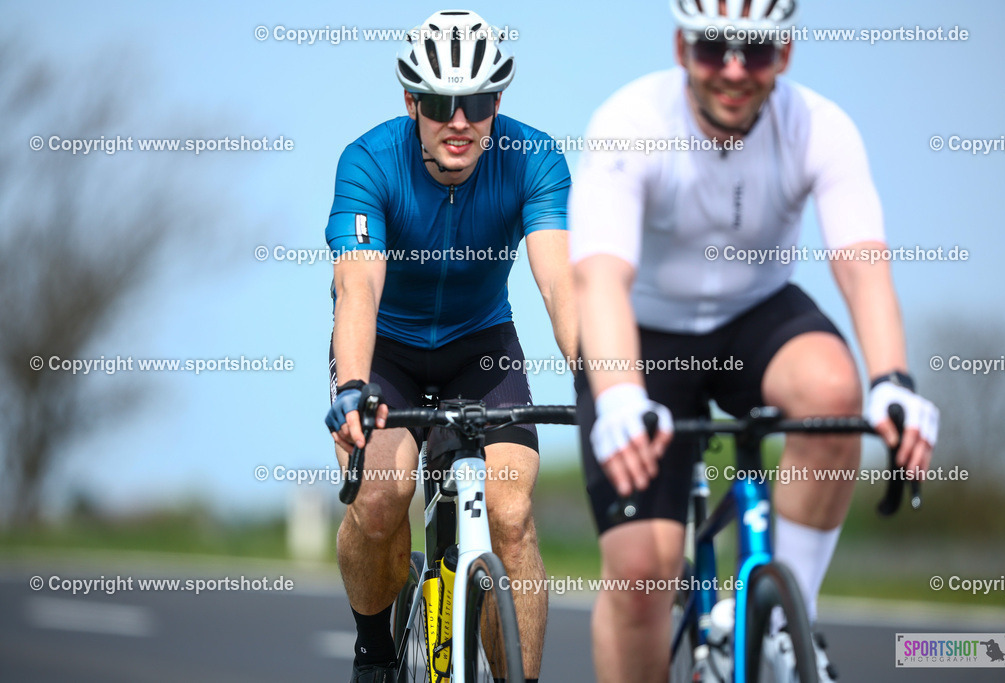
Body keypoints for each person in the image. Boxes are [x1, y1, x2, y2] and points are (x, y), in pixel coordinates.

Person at [570, 1, 939, 681]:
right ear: (682, 47)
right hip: (644, 333)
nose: (735, 70)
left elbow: (862, 262)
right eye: (714, 48)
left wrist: (893, 378)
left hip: (756, 314)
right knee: (643, 573)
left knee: (835, 390)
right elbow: (599, 278)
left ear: (786, 57)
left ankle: (774, 624)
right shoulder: (630, 122)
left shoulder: (819, 126)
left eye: (757, 51)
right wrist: (620, 394)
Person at [323, 9, 574, 683]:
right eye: (439, 103)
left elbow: (559, 284)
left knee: (512, 512)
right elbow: (358, 289)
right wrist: (351, 386)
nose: (459, 120)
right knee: (379, 498)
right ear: (411, 102)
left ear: (500, 100)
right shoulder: (369, 160)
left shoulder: (536, 159)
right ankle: (375, 653)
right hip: (387, 349)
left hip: (480, 346)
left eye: (478, 101)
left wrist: (596, 377)